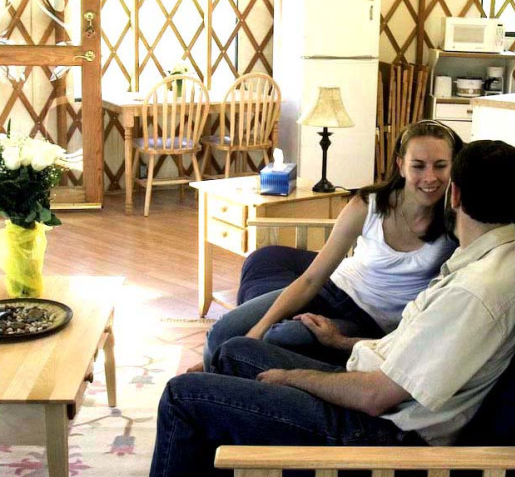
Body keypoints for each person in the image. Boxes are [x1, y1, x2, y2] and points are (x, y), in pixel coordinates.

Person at [150, 140, 515, 477]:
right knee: (234, 351)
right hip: (379, 390)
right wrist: (339, 343)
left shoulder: (473, 290)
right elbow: (411, 354)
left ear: (454, 195)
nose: (428, 177)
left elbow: (376, 396)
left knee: (181, 396)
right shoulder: (495, 257)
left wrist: (292, 377)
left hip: (382, 434)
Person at [197, 120, 465, 369]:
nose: (430, 177)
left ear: (453, 166)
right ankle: (213, 374)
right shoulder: (370, 204)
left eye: (440, 166)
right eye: (418, 166)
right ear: (401, 165)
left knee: (282, 337)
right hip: (332, 289)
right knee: (222, 333)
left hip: (369, 322)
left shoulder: (457, 220)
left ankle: (219, 376)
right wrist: (255, 330)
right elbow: (312, 278)